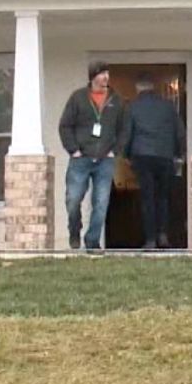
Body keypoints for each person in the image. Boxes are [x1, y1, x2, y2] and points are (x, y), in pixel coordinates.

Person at [59, 61, 124, 250]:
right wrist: (74, 150)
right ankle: (74, 229)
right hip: (80, 159)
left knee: (101, 202)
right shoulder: (78, 98)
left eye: (107, 73)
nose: (106, 77)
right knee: (73, 200)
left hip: (105, 160)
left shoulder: (116, 100)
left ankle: (92, 241)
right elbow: (65, 126)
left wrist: (115, 150)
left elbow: (124, 129)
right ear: (93, 76)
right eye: (102, 73)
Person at [120, 73, 186, 250]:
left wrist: (125, 155)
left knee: (147, 198)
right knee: (163, 197)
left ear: (138, 88)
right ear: (153, 88)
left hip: (141, 155)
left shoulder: (132, 107)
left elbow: (127, 133)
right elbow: (180, 132)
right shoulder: (168, 106)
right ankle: (163, 235)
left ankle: (150, 240)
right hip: (165, 156)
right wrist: (179, 155)